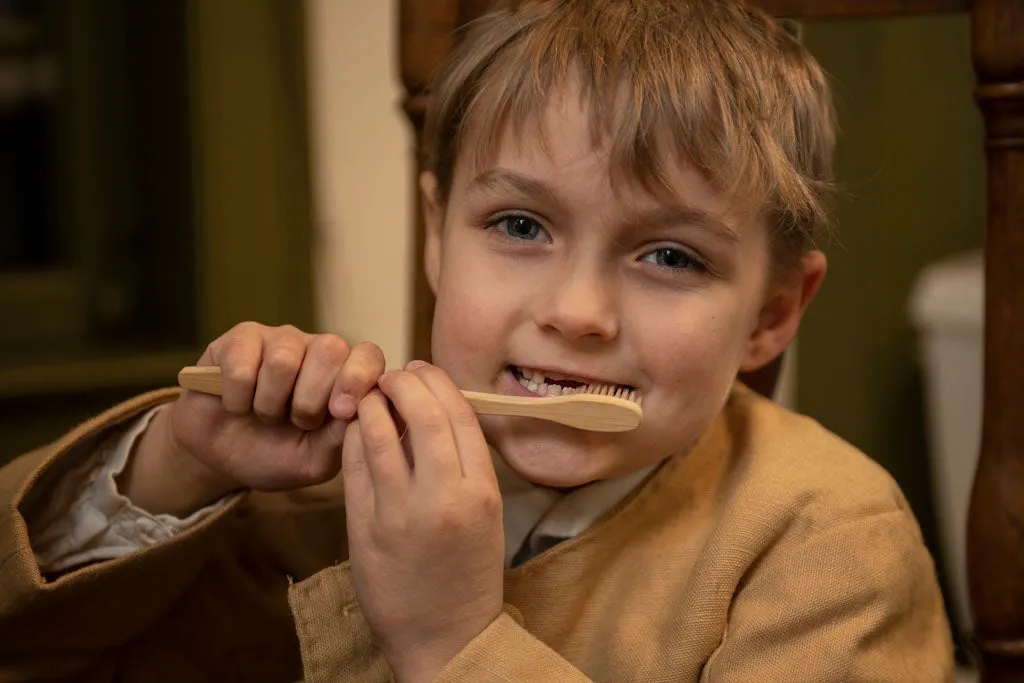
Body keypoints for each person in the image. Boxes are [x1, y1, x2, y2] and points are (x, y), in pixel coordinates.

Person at [0, 0, 954, 680]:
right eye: (521, 227)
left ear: (775, 311)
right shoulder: (307, 475)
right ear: (434, 233)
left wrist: (454, 642)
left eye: (668, 255)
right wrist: (175, 468)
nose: (578, 311)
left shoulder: (828, 542)